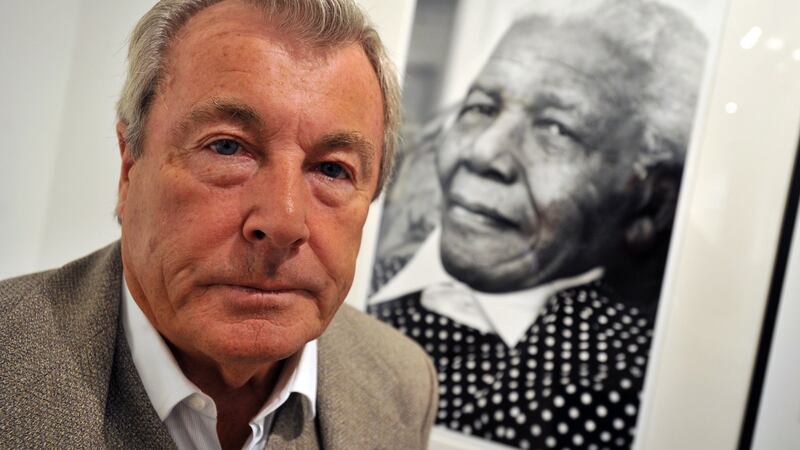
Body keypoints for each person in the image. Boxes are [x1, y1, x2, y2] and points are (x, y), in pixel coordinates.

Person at [0, 0, 437, 449]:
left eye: (331, 170)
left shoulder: (403, 383)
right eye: (227, 148)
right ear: (130, 165)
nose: (284, 221)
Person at [369, 1, 708, 448]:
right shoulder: (352, 285)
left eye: (556, 129)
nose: (483, 152)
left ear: (651, 204)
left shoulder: (627, 383)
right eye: (482, 107)